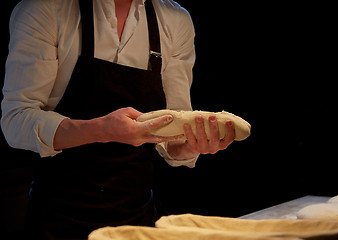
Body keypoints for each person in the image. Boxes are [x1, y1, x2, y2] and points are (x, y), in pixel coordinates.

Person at [1, 0, 235, 239]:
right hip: (57, 221)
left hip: (136, 222)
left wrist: (190, 144)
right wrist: (102, 130)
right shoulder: (47, 10)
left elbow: (172, 131)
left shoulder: (174, 19)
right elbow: (16, 120)